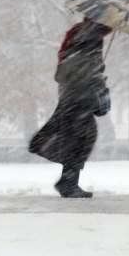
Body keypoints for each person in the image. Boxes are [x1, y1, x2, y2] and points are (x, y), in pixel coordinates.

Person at [29, 17, 113, 198]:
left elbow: (72, 63)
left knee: (76, 138)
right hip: (79, 94)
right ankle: (67, 183)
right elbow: (87, 65)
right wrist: (97, 77)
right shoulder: (93, 35)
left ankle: (67, 181)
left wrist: (95, 73)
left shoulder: (80, 32)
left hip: (71, 93)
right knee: (81, 139)